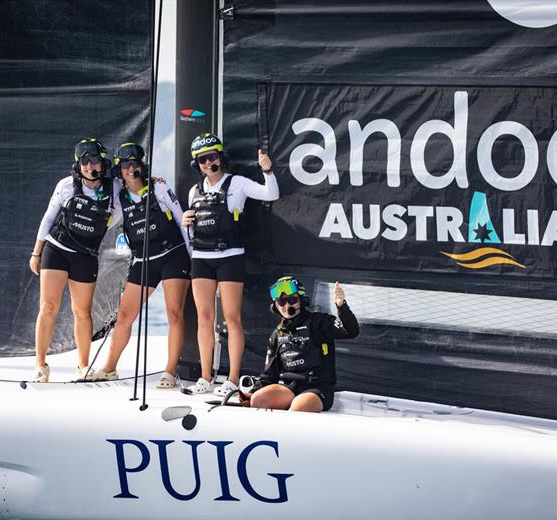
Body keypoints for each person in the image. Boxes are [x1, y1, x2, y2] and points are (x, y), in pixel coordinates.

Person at [181, 133, 279, 395]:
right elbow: (190, 229)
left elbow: (271, 193)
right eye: (202, 159)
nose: (207, 162)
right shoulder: (194, 190)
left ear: (220, 157)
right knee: (204, 318)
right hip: (201, 258)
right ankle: (204, 377)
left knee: (232, 318)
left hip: (230, 256)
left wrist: (267, 170)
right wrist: (186, 220)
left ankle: (233, 378)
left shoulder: (237, 183)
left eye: (211, 156)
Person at [93, 142, 191, 386]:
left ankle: (170, 371)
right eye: (125, 165)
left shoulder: (159, 188)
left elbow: (182, 222)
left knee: (174, 313)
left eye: (134, 164)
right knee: (124, 314)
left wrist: (194, 259)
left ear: (142, 165)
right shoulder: (118, 196)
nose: (130, 169)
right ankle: (109, 368)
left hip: (173, 255)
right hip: (144, 260)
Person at [29, 139, 122, 382]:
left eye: (94, 161)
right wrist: (36, 252)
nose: (90, 166)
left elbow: (137, 184)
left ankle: (82, 365)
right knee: (48, 307)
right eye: (84, 161)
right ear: (78, 164)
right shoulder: (67, 185)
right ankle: (40, 365)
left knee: (82, 312)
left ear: (103, 163)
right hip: (57, 249)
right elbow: (48, 218)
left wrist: (153, 181)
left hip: (86, 255)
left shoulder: (115, 188)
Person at [246, 277, 359, 412]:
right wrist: (252, 391)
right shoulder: (277, 334)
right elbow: (270, 374)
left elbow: (351, 331)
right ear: (275, 306)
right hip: (289, 388)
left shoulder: (319, 322)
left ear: (302, 300)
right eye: (281, 302)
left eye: (292, 300)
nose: (287, 306)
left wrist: (341, 306)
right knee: (258, 399)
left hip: (318, 388)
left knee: (299, 406)